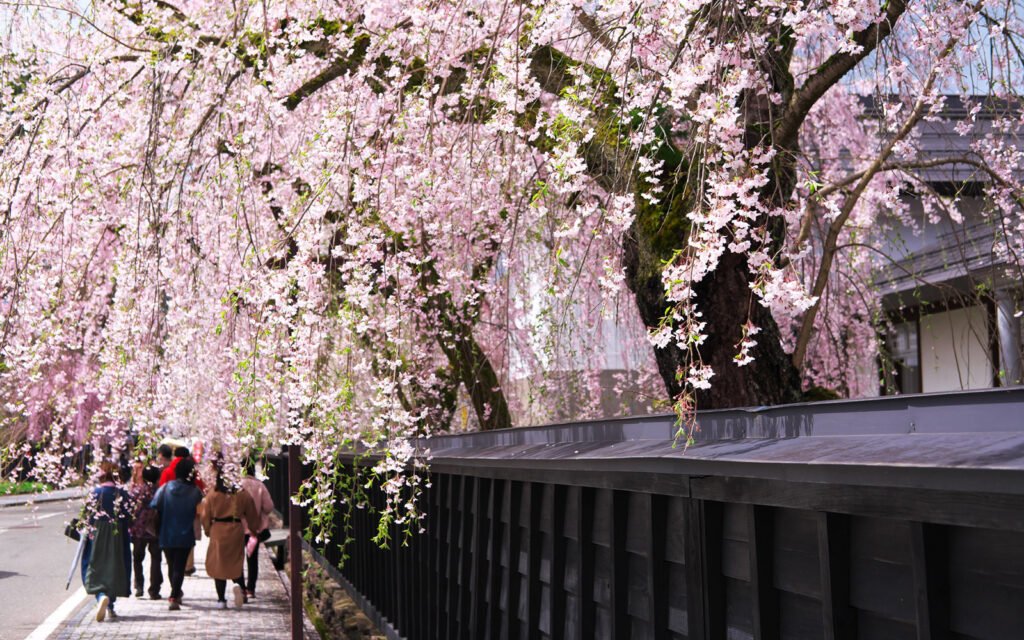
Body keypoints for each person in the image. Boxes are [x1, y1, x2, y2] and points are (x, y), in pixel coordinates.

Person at [200, 457, 259, 609]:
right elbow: (251, 513)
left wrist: (207, 530)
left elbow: (205, 514)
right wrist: (253, 530)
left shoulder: (213, 494)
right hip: (236, 528)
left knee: (218, 564)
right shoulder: (242, 494)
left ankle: (221, 600)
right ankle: (241, 589)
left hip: (218, 529)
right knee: (236, 562)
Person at [80, 461, 133, 622]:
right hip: (118, 535)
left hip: (96, 536)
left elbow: (85, 517)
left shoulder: (95, 493)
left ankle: (101, 596)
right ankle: (110, 604)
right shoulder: (122, 494)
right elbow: (129, 516)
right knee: (115, 568)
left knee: (93, 565)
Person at [150, 457, 203, 610]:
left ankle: (175, 593)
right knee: (179, 566)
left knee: (172, 565)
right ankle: (174, 594)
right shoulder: (195, 492)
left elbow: (155, 505)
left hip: (167, 532)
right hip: (185, 533)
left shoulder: (165, 488)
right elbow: (200, 508)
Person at [239, 462, 275, 599]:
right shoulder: (259, 486)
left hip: (239, 527)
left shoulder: (237, 485)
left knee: (238, 558)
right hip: (255, 528)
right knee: (252, 559)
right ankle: (251, 589)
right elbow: (269, 507)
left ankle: (241, 586)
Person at [129, 463, 162, 599]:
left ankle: (139, 586)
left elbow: (130, 509)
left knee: (137, 558)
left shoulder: (136, 490)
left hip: (139, 529)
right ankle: (154, 590)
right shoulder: (160, 491)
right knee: (156, 559)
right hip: (155, 528)